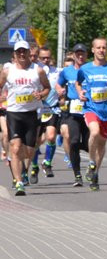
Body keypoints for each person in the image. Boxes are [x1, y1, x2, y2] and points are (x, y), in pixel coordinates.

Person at [1, 40, 50, 196]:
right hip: (14, 113)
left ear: (29, 53)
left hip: (31, 114)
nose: (22, 54)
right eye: (19, 52)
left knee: (29, 152)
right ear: (14, 54)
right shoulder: (8, 71)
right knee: (15, 147)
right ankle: (19, 182)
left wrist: (41, 94)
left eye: (24, 51)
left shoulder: (38, 70)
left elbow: (47, 88)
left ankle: (16, 163)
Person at [75, 37, 107, 191]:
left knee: (101, 145)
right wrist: (80, 93)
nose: (101, 50)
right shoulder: (85, 69)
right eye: (99, 48)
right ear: (93, 50)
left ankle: (95, 173)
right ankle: (90, 162)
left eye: (104, 47)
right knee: (94, 132)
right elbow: (78, 83)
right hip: (91, 108)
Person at [58, 44, 90, 187]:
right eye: (78, 53)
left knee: (90, 143)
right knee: (74, 141)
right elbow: (58, 84)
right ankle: (77, 175)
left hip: (89, 110)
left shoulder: (91, 69)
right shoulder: (67, 71)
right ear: (74, 56)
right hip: (73, 111)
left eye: (82, 53)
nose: (80, 56)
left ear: (86, 54)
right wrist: (60, 91)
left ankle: (93, 166)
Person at [31, 45, 62, 181]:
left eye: (48, 58)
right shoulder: (33, 72)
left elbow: (66, 83)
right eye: (43, 58)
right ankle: (34, 167)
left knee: (50, 137)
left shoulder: (57, 72)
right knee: (35, 142)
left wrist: (63, 93)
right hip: (36, 110)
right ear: (38, 58)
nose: (46, 60)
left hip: (51, 109)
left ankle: (47, 163)